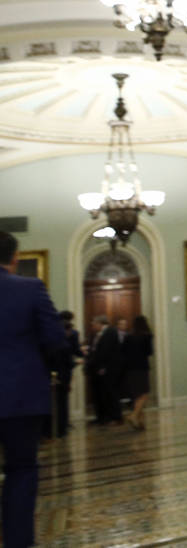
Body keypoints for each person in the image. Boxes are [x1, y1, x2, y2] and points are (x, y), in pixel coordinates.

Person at [0, 230, 66, 548]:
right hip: (21, 397)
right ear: (14, 258)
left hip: (20, 395)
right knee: (21, 471)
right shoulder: (29, 288)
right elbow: (55, 340)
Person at [85, 314, 123, 425]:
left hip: (109, 370)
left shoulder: (111, 332)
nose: (92, 326)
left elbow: (105, 352)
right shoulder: (97, 334)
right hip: (98, 369)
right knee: (100, 394)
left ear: (100, 324)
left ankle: (116, 417)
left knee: (111, 393)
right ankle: (101, 417)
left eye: (93, 323)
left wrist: (100, 365)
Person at [50, 310, 81, 438]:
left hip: (54, 375)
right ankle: (62, 429)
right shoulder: (65, 344)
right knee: (62, 403)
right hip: (64, 376)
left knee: (57, 402)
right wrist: (77, 362)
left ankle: (58, 428)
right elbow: (69, 361)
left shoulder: (53, 341)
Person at [123, 315, 154, 430]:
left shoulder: (128, 336)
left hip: (130, 369)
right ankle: (134, 416)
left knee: (137, 395)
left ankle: (140, 422)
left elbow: (123, 352)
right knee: (144, 394)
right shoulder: (147, 336)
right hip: (142, 368)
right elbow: (149, 352)